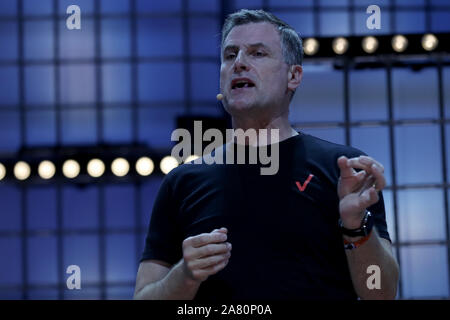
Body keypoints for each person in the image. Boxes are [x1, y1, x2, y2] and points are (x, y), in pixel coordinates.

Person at [134, 9, 399, 300]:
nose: (239, 64)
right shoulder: (182, 182)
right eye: (230, 55)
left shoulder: (343, 171)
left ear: (293, 76)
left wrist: (355, 225)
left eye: (257, 54)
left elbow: (381, 294)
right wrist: (184, 275)